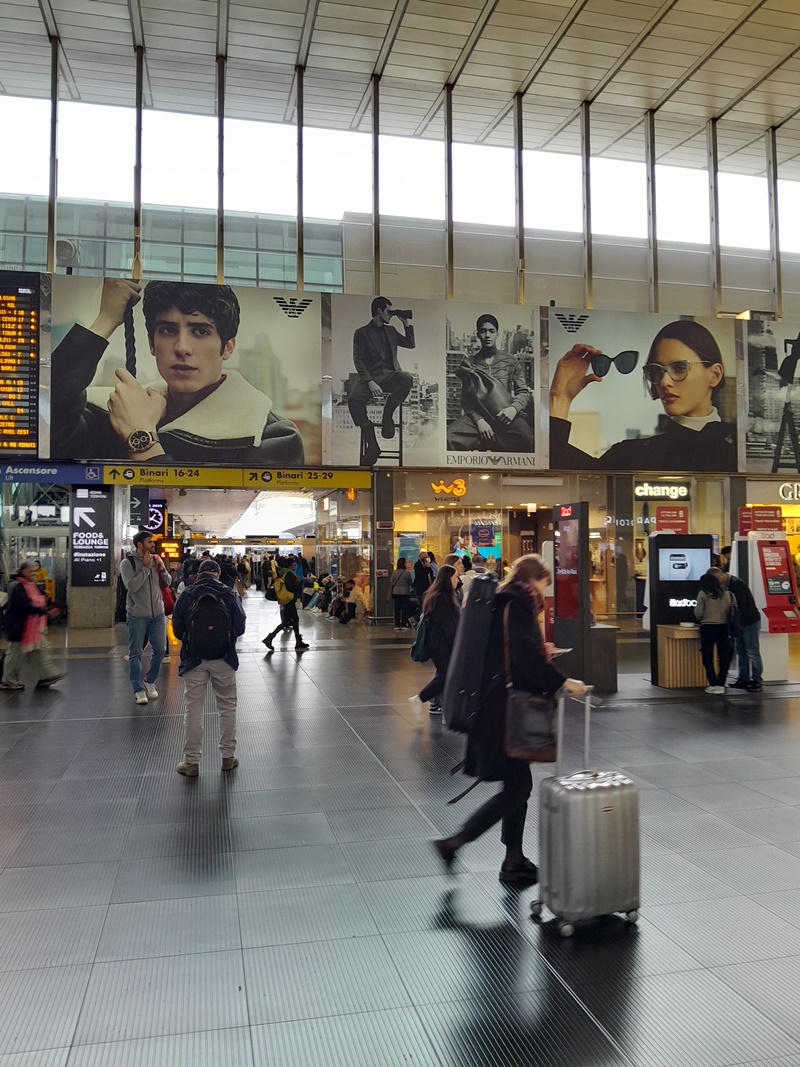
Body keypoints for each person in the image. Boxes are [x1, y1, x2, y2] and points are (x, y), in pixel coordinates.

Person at [432, 555, 586, 887]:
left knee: (517, 786)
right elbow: (524, 660)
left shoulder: (504, 601)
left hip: (496, 708)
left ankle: (513, 860)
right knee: (518, 788)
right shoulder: (517, 605)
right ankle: (455, 843)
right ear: (534, 580)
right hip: (502, 713)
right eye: (544, 585)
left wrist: (542, 651)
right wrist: (562, 682)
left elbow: (511, 653)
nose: (545, 593)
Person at [50, 279, 304, 464]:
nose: (182, 347)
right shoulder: (113, 412)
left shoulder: (271, 437)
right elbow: (49, 427)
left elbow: (202, 515)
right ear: (152, 344)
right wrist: (105, 319)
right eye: (168, 330)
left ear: (227, 347)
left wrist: (141, 437)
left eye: (200, 331)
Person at [549, 319, 736, 471]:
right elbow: (554, 468)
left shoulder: (742, 455)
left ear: (715, 375)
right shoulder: (630, 456)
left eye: (679, 368)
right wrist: (560, 398)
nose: (664, 381)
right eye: (657, 371)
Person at [171, 558, 247, 776]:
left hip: (194, 659)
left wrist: (192, 639)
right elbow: (240, 627)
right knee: (227, 707)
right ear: (218, 574)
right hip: (224, 657)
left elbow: (177, 629)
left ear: (198, 575)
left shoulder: (187, 594)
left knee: (193, 708)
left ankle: (191, 762)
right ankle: (228, 757)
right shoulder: (229, 593)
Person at [447, 314, 533, 452]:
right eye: (483, 331)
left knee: (527, 438)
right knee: (450, 437)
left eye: (491, 331)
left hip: (505, 415)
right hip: (478, 418)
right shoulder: (469, 363)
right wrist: (479, 421)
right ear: (478, 334)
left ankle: (495, 444)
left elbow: (523, 391)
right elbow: (466, 400)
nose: (487, 335)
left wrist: (513, 409)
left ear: (497, 334)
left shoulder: (511, 361)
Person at [348, 296, 415, 466]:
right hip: (371, 377)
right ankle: (372, 444)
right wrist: (370, 381)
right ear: (379, 311)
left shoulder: (391, 331)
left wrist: (405, 323)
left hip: (390, 375)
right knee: (354, 400)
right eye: (388, 311)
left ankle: (387, 415)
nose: (391, 315)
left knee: (407, 377)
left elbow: (410, 344)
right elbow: (358, 360)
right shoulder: (361, 332)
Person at [120, 530, 172, 705]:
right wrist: (145, 569)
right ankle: (138, 689)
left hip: (157, 614)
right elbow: (132, 587)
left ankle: (150, 681)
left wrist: (162, 569)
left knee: (160, 650)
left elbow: (168, 582)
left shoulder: (156, 560)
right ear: (140, 544)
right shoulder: (127, 563)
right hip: (137, 615)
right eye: (150, 542)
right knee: (135, 652)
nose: (153, 545)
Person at [0, 563, 64, 691]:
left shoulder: (28, 585)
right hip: (18, 626)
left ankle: (45, 676)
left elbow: (39, 599)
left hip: (30, 626)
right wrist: (43, 612)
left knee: (37, 652)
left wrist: (46, 608)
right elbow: (23, 606)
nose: (33, 574)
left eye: (34, 572)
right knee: (15, 655)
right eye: (31, 572)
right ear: (23, 571)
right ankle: (7, 681)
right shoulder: (17, 586)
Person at [409, 564, 460, 717]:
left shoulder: (439, 595)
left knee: (446, 675)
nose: (458, 580)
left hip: (439, 643)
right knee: (445, 676)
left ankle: (438, 703)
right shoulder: (440, 598)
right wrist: (457, 645)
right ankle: (420, 699)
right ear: (447, 579)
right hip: (440, 644)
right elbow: (448, 625)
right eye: (455, 577)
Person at [710, 566, 763, 692]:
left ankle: (757, 680)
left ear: (719, 577)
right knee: (741, 651)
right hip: (739, 622)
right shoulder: (727, 585)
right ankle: (743, 678)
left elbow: (741, 607)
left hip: (749, 622)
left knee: (752, 651)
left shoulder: (737, 584)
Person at [694, 571, 736, 694]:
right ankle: (721, 683)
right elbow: (732, 612)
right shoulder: (728, 594)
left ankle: (713, 683)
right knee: (724, 656)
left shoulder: (703, 594)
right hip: (724, 627)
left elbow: (698, 613)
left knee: (707, 656)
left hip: (707, 628)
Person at [262, 558, 309, 652]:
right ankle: (270, 638)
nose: (295, 566)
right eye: (294, 564)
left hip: (287, 599)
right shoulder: (289, 574)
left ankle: (297, 640)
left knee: (291, 620)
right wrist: (297, 581)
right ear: (290, 565)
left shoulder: (283, 573)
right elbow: (290, 587)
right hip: (289, 599)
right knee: (290, 621)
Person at [390, 557, 415, 629]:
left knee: (397, 609)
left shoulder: (394, 572)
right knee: (405, 609)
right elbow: (410, 582)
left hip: (396, 592)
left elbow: (392, 582)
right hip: (405, 592)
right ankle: (404, 623)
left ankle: (397, 624)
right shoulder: (407, 573)